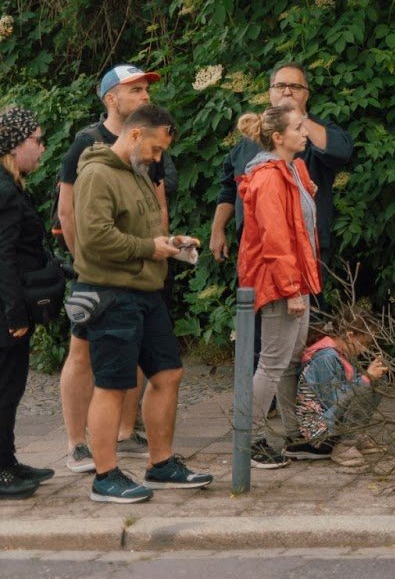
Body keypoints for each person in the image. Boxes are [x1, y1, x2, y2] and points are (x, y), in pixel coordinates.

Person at [72, 104, 212, 502]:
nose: (157, 158)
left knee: (168, 374)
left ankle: (161, 464)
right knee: (113, 385)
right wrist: (149, 248)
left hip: (146, 293)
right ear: (135, 135)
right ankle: (105, 476)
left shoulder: (136, 174)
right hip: (111, 295)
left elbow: (142, 234)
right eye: (154, 149)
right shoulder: (97, 174)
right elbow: (96, 238)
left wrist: (172, 244)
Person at [57, 64, 171, 472]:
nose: (144, 96)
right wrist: (85, 266)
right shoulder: (87, 144)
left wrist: (165, 247)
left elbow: (157, 204)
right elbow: (68, 212)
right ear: (111, 99)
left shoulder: (151, 140)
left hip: (142, 268)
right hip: (96, 275)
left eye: (145, 89)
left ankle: (126, 430)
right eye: (135, 90)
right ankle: (76, 444)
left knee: (136, 351)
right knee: (82, 354)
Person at [235, 107, 322, 469]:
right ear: (277, 137)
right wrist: (289, 289)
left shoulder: (292, 170)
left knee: (288, 362)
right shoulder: (270, 178)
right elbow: (275, 238)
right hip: (278, 283)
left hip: (294, 280)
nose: (305, 133)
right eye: (298, 128)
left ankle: (294, 436)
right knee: (272, 364)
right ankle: (250, 441)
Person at [210, 62, 355, 280]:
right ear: (270, 93)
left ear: (306, 94)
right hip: (254, 253)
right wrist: (217, 229)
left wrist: (299, 119)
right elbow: (229, 188)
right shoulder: (249, 140)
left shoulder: (314, 131)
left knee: (306, 312)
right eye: (280, 86)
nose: (287, 91)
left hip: (304, 251)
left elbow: (341, 152)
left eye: (295, 87)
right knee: (256, 313)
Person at [0, 106, 57, 497]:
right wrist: (14, 311)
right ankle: (2, 471)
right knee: (5, 388)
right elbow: (1, 255)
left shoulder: (11, 183)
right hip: (6, 307)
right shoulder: (4, 190)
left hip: (10, 301)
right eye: (36, 140)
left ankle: (8, 460)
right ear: (14, 144)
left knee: (11, 386)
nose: (42, 148)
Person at [294, 307, 388, 467]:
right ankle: (345, 445)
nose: (365, 349)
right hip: (319, 432)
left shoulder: (340, 354)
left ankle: (353, 435)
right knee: (365, 385)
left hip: (333, 422)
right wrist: (366, 378)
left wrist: (370, 377)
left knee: (379, 381)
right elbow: (334, 401)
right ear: (350, 335)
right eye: (365, 343)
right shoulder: (325, 358)